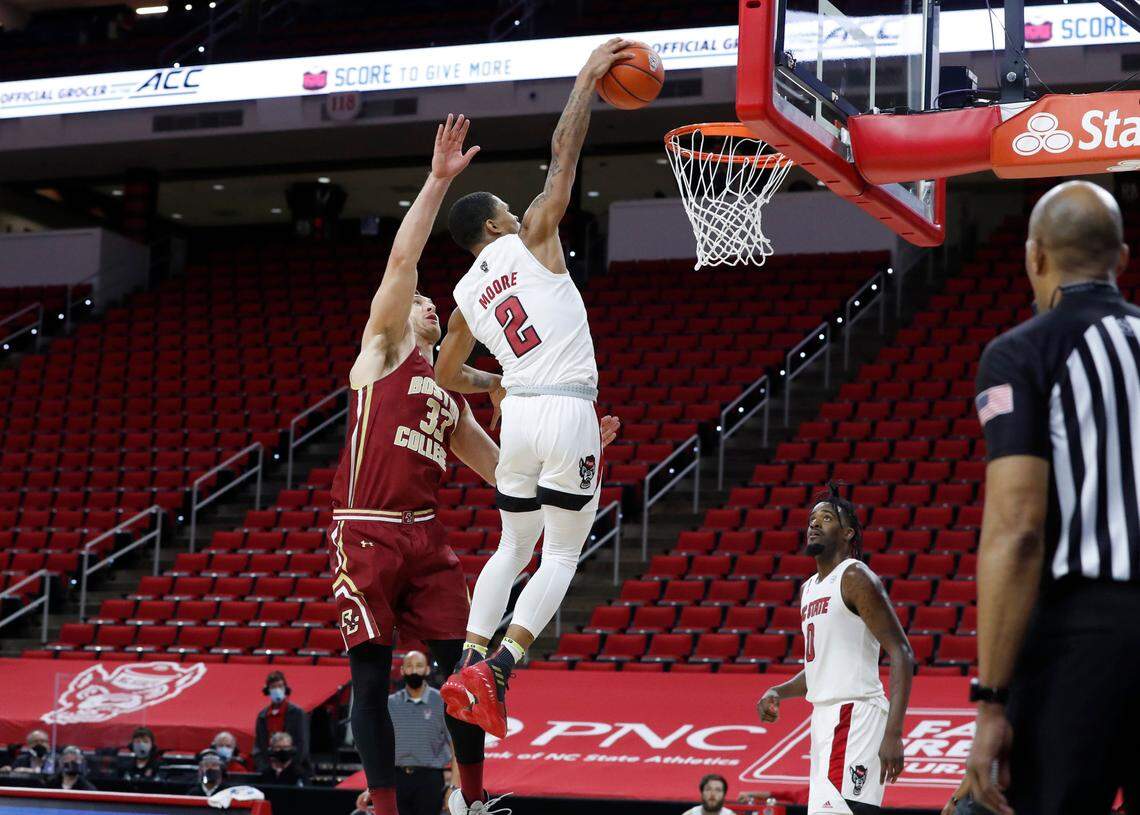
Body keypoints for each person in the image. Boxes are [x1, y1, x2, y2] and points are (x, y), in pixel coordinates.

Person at [326, 115, 615, 815]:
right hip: (365, 529)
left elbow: (504, 476)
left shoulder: (449, 402)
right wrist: (437, 181)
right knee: (370, 680)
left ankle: (474, 797)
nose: (426, 305)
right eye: (422, 304)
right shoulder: (385, 352)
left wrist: (577, 447)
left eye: (430, 304)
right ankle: (387, 804)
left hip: (425, 538)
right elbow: (402, 264)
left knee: (464, 668)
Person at [436, 37, 634, 746]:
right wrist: (585, 80)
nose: (522, 217)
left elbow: (444, 376)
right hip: (563, 407)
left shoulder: (462, 297)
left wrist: (496, 383)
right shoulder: (534, 238)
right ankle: (502, 666)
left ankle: (466, 660)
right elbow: (564, 153)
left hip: (518, 413)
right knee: (560, 555)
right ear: (496, 225)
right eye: (510, 215)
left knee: (509, 544)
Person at [964, 180, 1140, 815]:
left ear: (1034, 257)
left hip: (1089, 636)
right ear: (1120, 260)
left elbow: (1018, 529)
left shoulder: (1022, 353)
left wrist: (991, 702)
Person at [756, 485, 914, 814]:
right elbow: (819, 668)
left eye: (826, 518)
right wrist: (779, 690)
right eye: (812, 518)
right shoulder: (809, 588)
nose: (814, 524)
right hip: (824, 720)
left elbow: (901, 653)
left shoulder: (854, 576)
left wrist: (894, 734)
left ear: (847, 533)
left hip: (854, 715)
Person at [389, 651, 452, 815]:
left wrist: (454, 786)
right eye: (409, 666)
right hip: (397, 778)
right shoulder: (390, 704)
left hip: (430, 779)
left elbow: (456, 748)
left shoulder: (442, 702)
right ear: (402, 670)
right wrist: (372, 786)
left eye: (419, 666)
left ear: (427, 670)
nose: (414, 671)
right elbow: (379, 748)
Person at [253, 671, 309, 773]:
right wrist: (264, 767)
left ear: (285, 688)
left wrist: (291, 768)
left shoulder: (297, 713)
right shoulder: (262, 716)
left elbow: (302, 743)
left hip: (294, 769)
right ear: (268, 690)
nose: (277, 690)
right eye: (273, 687)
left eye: (280, 686)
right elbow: (259, 745)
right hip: (269, 769)